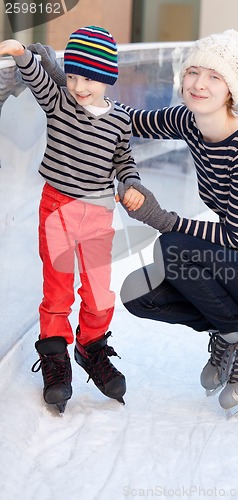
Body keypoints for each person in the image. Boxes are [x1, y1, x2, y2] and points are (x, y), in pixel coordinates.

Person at [33, 29, 238, 412]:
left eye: (214, 77)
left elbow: (232, 236)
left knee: (172, 247)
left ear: (231, 89)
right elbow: (120, 118)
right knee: (139, 295)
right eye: (193, 72)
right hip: (235, 270)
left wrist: (159, 218)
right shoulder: (188, 121)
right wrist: (71, 79)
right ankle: (231, 334)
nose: (198, 84)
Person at [0, 26, 144, 412]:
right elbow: (39, 78)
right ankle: (55, 356)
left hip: (98, 214)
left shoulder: (120, 121)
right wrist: (20, 54)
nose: (80, 86)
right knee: (58, 290)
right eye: (75, 75)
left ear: (108, 78)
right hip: (56, 209)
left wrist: (131, 183)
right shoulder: (59, 101)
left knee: (99, 292)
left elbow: (124, 161)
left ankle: (90, 346)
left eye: (91, 78)